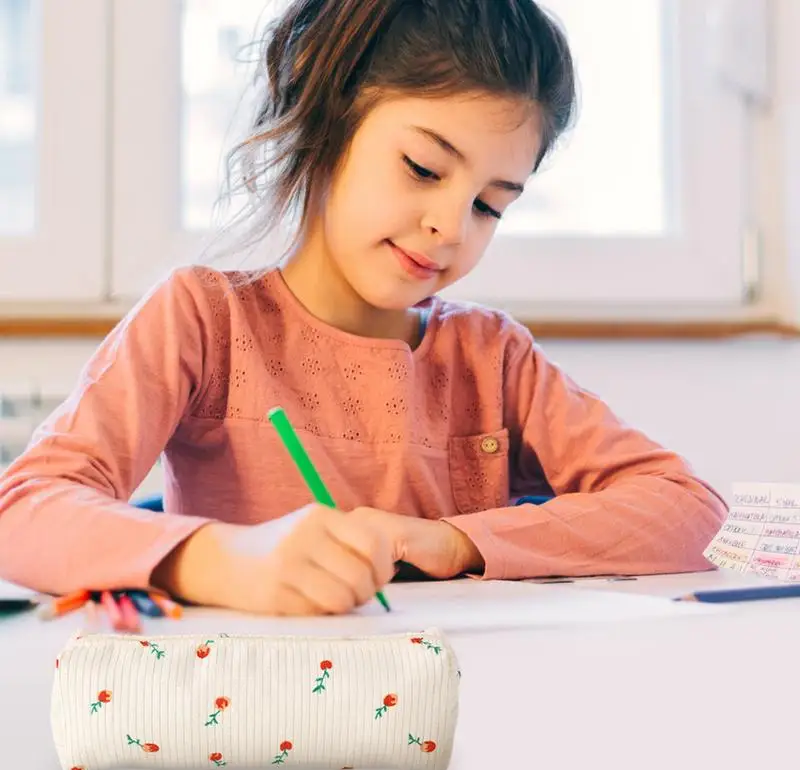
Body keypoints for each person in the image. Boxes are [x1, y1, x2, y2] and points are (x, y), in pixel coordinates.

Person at [0, 0, 727, 616]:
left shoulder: (491, 357)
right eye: (423, 168)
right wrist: (226, 560)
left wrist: (453, 541)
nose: (451, 226)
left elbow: (691, 512)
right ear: (327, 122)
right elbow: (22, 510)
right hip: (244, 709)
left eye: (489, 205)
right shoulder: (204, 320)